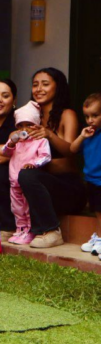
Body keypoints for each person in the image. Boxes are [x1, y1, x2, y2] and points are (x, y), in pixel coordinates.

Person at [0, 68, 83, 248]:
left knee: (27, 174)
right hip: (33, 180)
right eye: (35, 84)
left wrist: (49, 135)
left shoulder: (66, 114)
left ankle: (50, 230)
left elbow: (71, 153)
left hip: (65, 188)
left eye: (45, 84)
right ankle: (12, 227)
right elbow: (20, 150)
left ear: (58, 87)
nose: (39, 89)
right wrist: (13, 158)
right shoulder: (29, 116)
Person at [2, 102, 52, 245]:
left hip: (27, 181)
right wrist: (11, 143)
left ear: (36, 124)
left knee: (28, 207)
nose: (24, 129)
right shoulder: (17, 141)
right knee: (17, 208)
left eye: (29, 125)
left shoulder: (40, 141)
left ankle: (30, 231)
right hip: (14, 181)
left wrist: (34, 164)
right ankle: (20, 229)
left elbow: (46, 156)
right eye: (20, 126)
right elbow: (5, 152)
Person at [71, 93, 101, 256]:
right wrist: (82, 136)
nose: (90, 120)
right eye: (87, 116)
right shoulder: (88, 134)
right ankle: (99, 238)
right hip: (91, 180)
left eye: (95, 116)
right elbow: (73, 149)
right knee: (96, 211)